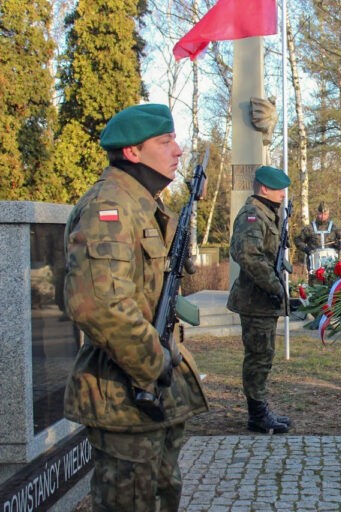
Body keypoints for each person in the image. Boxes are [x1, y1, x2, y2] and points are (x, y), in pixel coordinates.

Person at [62, 103, 208, 511]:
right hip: (125, 393)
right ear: (132, 152)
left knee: (161, 493)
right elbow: (98, 305)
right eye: (165, 141)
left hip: (150, 393)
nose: (177, 150)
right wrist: (155, 362)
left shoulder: (145, 204)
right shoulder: (108, 209)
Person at [227, 165, 294, 433]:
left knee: (264, 356)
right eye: (279, 189)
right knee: (258, 357)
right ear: (264, 188)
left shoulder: (269, 214)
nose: (283, 194)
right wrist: (276, 286)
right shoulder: (252, 215)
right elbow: (248, 256)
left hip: (264, 299)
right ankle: (257, 415)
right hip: (256, 299)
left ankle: (261, 407)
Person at [293, 202, 341, 270]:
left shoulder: (334, 228)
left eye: (325, 214)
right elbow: (298, 240)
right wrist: (307, 249)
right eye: (320, 214)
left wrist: (338, 244)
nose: (322, 216)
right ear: (317, 213)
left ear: (328, 214)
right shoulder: (309, 228)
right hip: (314, 265)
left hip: (331, 266)